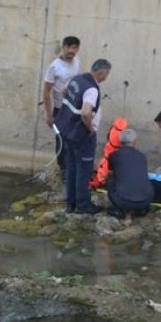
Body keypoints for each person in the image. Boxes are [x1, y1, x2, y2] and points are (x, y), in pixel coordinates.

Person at [54, 59, 112, 215]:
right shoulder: (92, 89)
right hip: (81, 135)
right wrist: (90, 128)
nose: (106, 78)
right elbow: (86, 112)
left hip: (66, 130)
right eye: (106, 75)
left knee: (71, 166)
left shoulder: (77, 79)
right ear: (101, 73)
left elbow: (64, 91)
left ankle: (70, 204)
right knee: (84, 170)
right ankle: (83, 205)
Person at [42, 36, 81, 174]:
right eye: (69, 47)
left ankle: (72, 165)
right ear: (63, 47)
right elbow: (47, 91)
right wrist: (49, 115)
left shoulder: (77, 62)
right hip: (60, 108)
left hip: (74, 107)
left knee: (74, 137)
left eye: (74, 47)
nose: (71, 50)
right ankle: (63, 169)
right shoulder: (54, 67)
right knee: (61, 139)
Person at [104, 129, 153, 218]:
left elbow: (111, 173)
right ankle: (141, 209)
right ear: (134, 141)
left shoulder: (114, 155)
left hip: (124, 201)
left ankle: (118, 210)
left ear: (119, 142)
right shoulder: (142, 156)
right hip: (146, 199)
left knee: (110, 180)